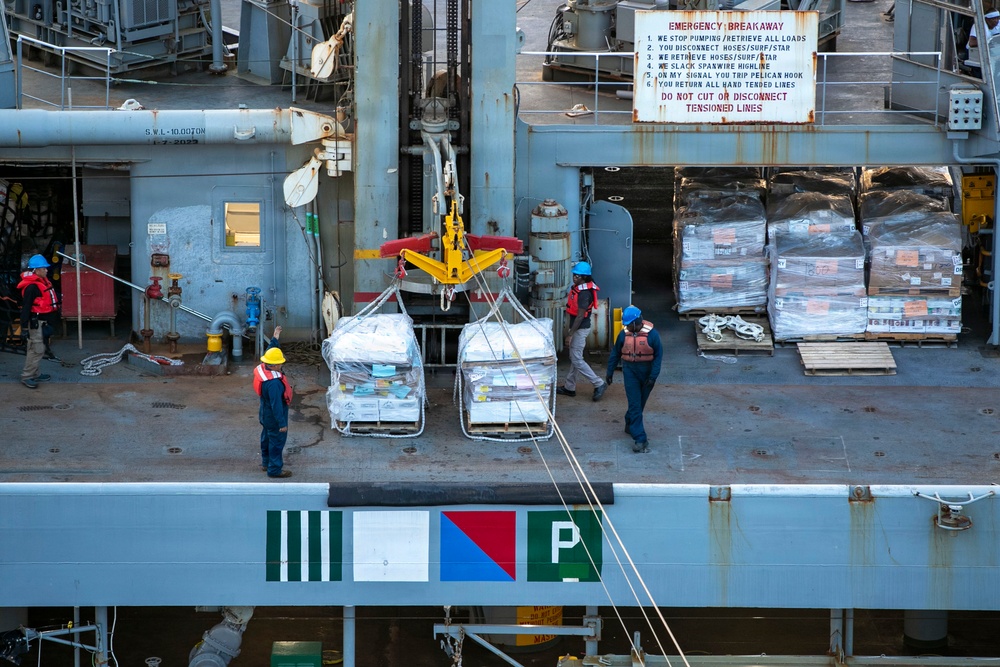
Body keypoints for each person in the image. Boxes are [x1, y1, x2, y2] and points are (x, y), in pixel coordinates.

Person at [606, 306, 662, 453]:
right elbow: (615, 353)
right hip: (630, 371)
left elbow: (658, 357)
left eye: (629, 325)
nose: (627, 327)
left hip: (647, 372)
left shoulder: (653, 335)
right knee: (635, 404)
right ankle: (640, 439)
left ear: (637, 322)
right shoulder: (624, 335)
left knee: (639, 403)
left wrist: (653, 377)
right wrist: (609, 372)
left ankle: (629, 422)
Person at [557, 261, 607, 402]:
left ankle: (599, 383)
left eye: (577, 276)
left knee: (576, 359)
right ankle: (569, 387)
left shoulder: (584, 294)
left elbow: (580, 316)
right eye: (574, 275)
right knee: (575, 357)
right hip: (578, 328)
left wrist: (570, 334)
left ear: (584, 277)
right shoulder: (579, 288)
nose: (574, 277)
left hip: (580, 329)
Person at [254, 325, 293, 478]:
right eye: (280, 363)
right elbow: (276, 405)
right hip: (274, 415)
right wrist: (282, 424)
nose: (282, 365)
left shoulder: (265, 367)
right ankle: (275, 469)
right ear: (275, 365)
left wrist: (275, 337)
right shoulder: (274, 384)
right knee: (276, 441)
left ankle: (266, 462)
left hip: (264, 413)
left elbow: (270, 350)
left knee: (266, 437)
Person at [17, 254, 59, 389]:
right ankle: (27, 376)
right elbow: (26, 308)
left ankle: (35, 373)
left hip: (42, 322)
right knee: (36, 350)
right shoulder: (31, 288)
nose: (46, 270)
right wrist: (24, 328)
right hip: (35, 323)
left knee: (38, 348)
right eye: (43, 268)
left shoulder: (42, 282)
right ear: (36, 270)